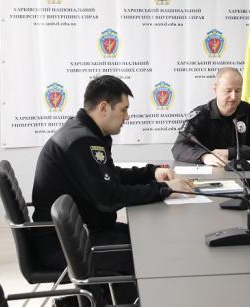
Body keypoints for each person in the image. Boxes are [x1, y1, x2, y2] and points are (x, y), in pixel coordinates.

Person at [31, 75, 193, 303]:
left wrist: (151, 172)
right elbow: (109, 198)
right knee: (147, 251)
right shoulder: (81, 141)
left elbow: (110, 177)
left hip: (77, 234)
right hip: (64, 246)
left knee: (149, 239)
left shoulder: (84, 133)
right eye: (123, 110)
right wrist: (163, 188)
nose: (127, 117)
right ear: (104, 108)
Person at [171, 67, 250, 166]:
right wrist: (204, 156)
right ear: (215, 89)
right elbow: (179, 147)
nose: (234, 96)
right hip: (210, 175)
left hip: (246, 174)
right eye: (228, 91)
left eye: (238, 90)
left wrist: (230, 153)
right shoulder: (200, 115)